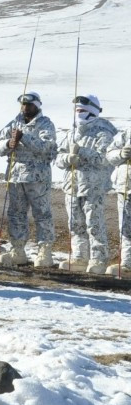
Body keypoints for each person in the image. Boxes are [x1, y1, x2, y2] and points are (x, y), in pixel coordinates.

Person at [0, 92, 58, 267]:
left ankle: (45, 251)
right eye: (22, 104)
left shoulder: (46, 124)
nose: (25, 108)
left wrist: (25, 138)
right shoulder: (14, 123)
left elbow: (46, 147)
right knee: (16, 213)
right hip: (15, 176)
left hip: (37, 177)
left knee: (42, 213)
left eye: (29, 105)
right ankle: (18, 249)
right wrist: (8, 144)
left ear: (37, 105)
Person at [55, 95, 117, 274]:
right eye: (77, 110)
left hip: (93, 187)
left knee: (94, 224)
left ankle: (99, 259)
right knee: (75, 224)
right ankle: (80, 257)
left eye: (83, 110)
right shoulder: (72, 132)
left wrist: (82, 152)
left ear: (92, 111)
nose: (79, 113)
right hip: (72, 186)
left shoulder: (103, 132)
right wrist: (68, 158)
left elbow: (105, 159)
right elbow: (59, 157)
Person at [105, 113, 131, 276]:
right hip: (125, 186)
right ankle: (127, 263)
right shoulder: (126, 133)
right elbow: (109, 154)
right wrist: (121, 154)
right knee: (126, 228)